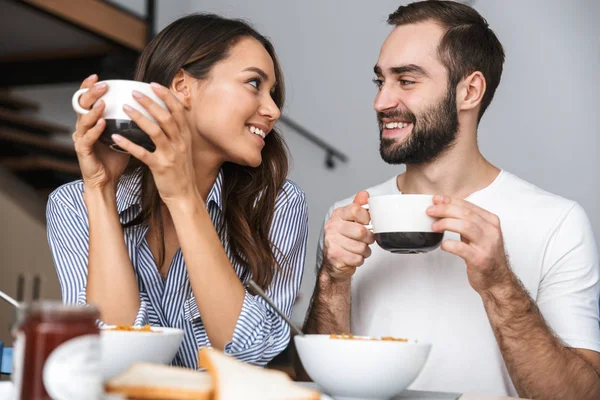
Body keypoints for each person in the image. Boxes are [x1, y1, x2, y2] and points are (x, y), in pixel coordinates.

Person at [302, 1, 600, 398]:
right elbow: (318, 387)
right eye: (380, 82)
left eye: (405, 81)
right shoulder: (351, 218)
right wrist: (332, 279)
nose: (381, 102)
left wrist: (499, 284)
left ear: (469, 91)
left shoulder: (558, 222)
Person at [46, 13, 309, 368]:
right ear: (183, 86)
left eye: (273, 94)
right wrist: (101, 192)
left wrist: (183, 198)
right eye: (253, 84)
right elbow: (109, 347)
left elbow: (250, 352)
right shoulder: (73, 205)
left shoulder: (278, 203)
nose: (273, 110)